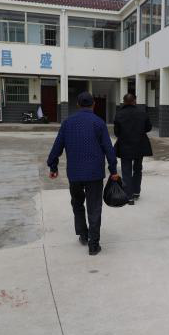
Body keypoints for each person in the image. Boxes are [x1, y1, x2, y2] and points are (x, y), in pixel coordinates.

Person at [47, 91, 119, 256]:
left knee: (77, 203)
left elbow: (57, 146)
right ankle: (94, 245)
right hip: (94, 174)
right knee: (94, 207)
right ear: (94, 104)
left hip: (75, 173)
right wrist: (113, 170)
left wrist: (53, 166)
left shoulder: (67, 123)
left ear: (78, 105)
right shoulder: (99, 123)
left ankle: (83, 235)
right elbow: (108, 149)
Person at [114, 93, 153, 205]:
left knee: (126, 171)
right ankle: (136, 192)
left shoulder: (119, 114)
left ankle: (129, 196)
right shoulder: (142, 113)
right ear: (134, 101)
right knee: (137, 169)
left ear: (124, 102)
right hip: (140, 145)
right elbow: (148, 127)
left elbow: (116, 132)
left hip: (125, 146)